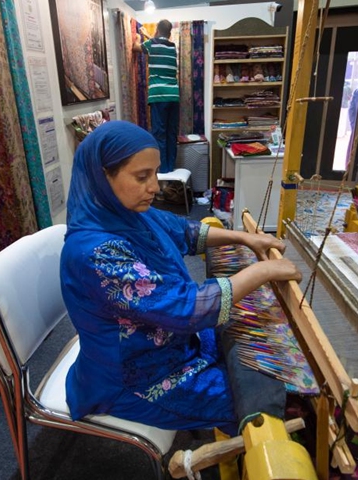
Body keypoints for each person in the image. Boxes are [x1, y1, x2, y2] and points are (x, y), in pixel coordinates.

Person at [60, 121, 302, 435]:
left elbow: (186, 231)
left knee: (258, 349)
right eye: (142, 176)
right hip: (135, 379)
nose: (155, 187)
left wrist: (246, 239)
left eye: (155, 173)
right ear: (103, 176)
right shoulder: (95, 253)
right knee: (260, 408)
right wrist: (263, 271)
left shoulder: (132, 213)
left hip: (169, 346)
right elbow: (186, 308)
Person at [133, 20, 179, 174]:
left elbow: (136, 48)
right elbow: (156, 41)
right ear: (170, 33)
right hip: (173, 96)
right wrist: (149, 35)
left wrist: (139, 38)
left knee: (159, 133)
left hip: (159, 95)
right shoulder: (172, 47)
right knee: (171, 133)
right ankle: (170, 167)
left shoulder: (151, 44)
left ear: (157, 31)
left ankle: (163, 170)